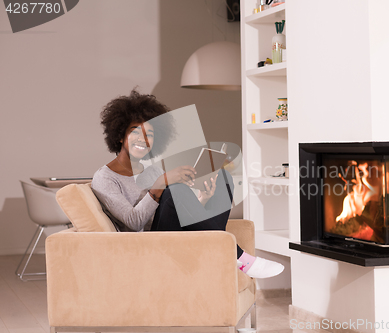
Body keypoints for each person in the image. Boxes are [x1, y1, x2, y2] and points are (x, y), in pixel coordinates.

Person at [91, 89, 284, 279]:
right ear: (119, 135)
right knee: (175, 190)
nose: (143, 139)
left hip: (172, 234)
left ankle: (222, 252)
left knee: (224, 178)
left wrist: (203, 198)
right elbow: (134, 223)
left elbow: (177, 212)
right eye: (135, 131)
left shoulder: (152, 170)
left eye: (149, 134)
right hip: (147, 246)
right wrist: (161, 183)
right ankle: (240, 257)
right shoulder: (105, 178)